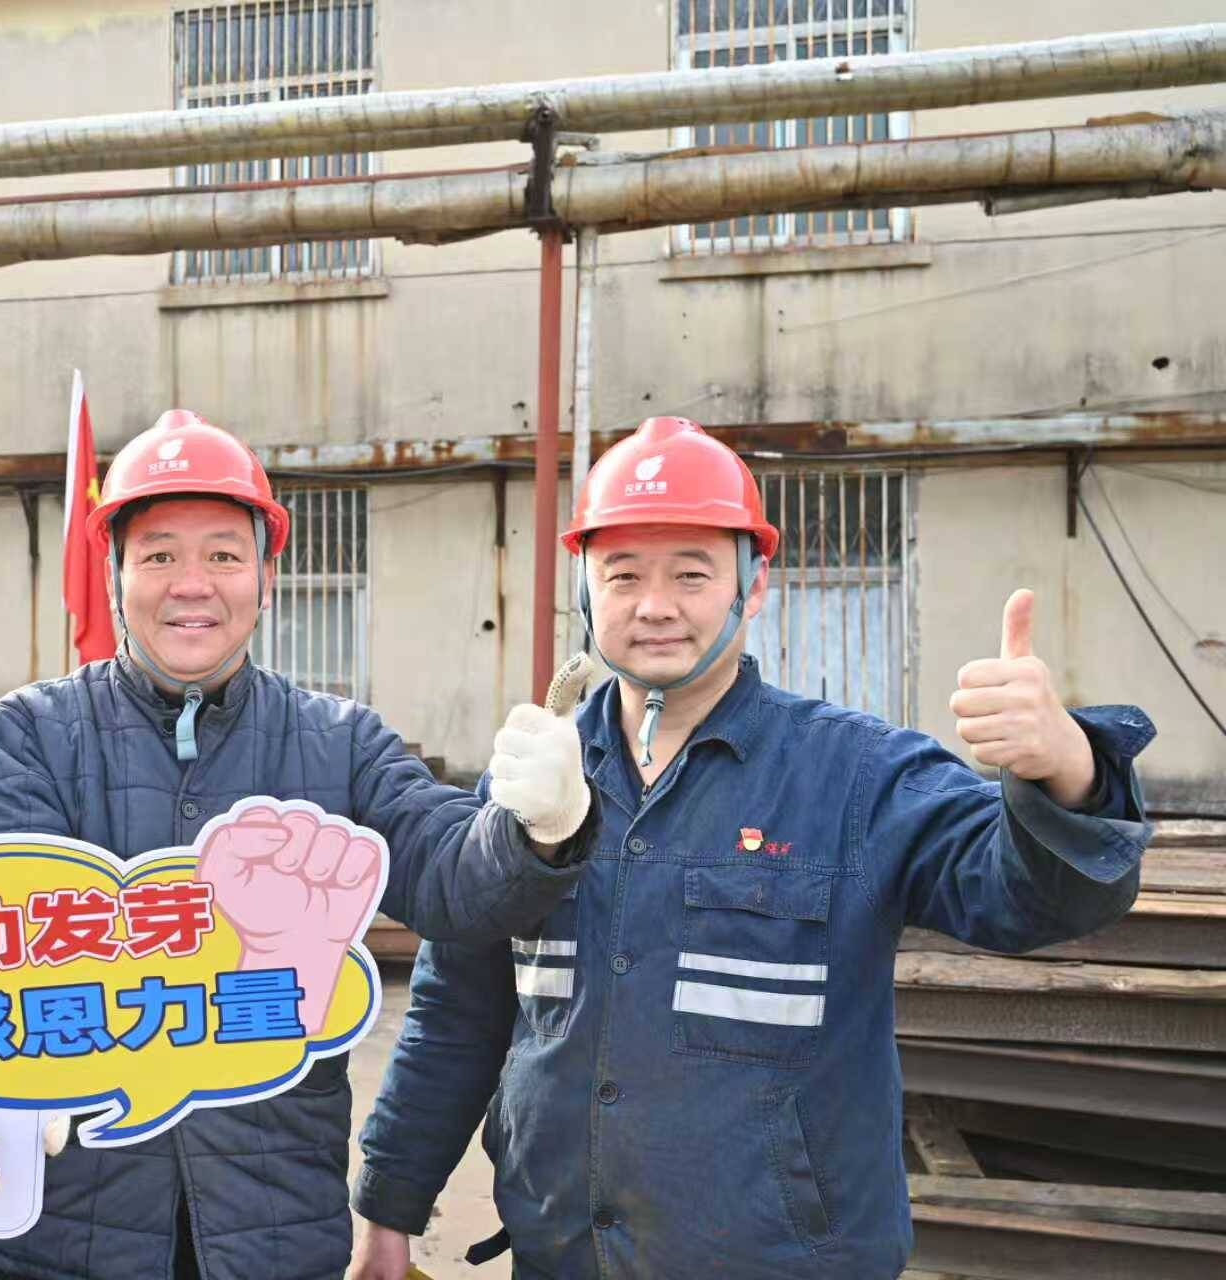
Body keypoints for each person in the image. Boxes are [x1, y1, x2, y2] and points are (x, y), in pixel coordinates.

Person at [348, 415, 1156, 1280]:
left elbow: (1032, 900)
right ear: (585, 590)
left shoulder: (854, 774)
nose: (655, 605)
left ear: (755, 583)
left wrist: (1068, 770)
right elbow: (458, 1008)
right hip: (564, 1254)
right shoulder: (537, 781)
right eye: (623, 574)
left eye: (692, 573)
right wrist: (390, 1206)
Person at [0, 410, 601, 1280]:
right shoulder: (34, 734)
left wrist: (538, 828)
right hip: (68, 1233)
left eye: (224, 556)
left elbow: (451, 879)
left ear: (267, 578)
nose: (192, 585)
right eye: (159, 556)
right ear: (116, 573)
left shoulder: (340, 744)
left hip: (271, 1233)